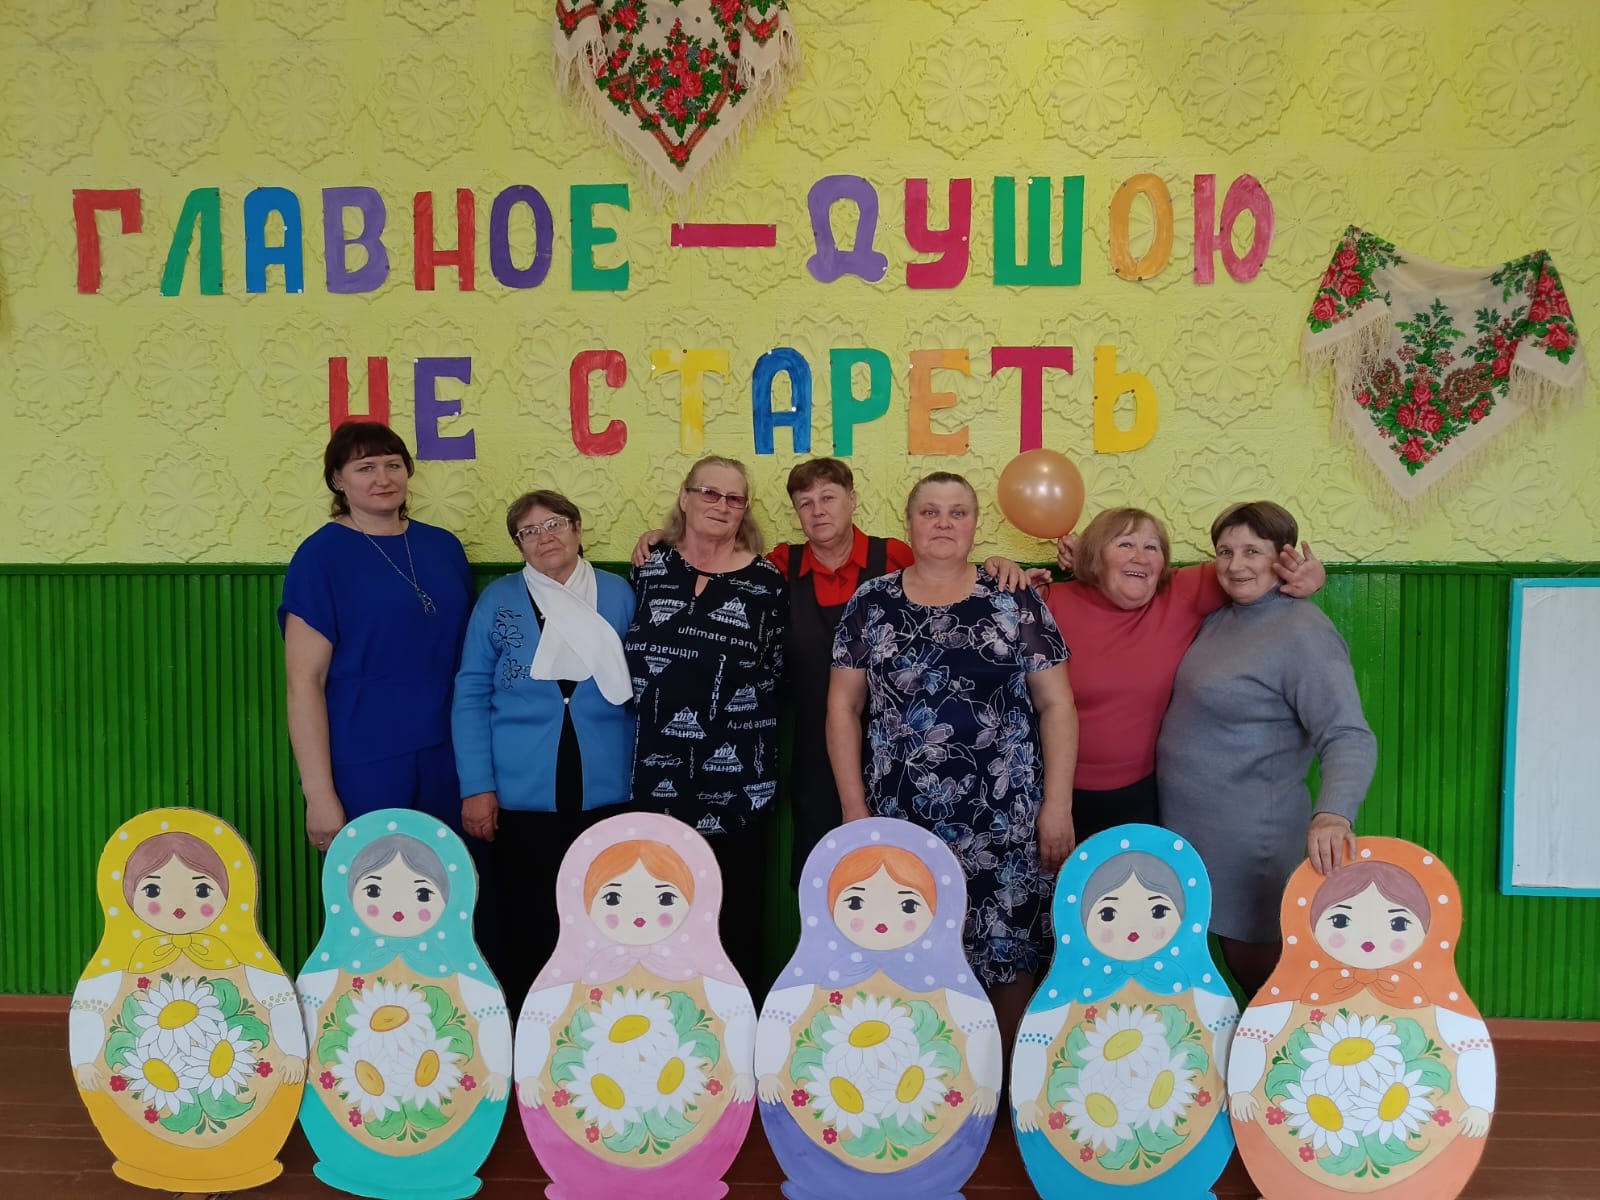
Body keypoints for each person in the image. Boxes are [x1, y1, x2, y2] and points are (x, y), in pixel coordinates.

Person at [634, 455, 1043, 884]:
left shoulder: (895, 556)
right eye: (805, 503)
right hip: (816, 747)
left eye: (828, 498)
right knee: (826, 875)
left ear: (852, 500)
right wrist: (665, 540)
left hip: (898, 748)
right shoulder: (779, 567)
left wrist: (999, 565)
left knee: (903, 874)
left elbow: (949, 568)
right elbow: (720, 566)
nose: (818, 511)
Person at [828, 471, 1078, 1048]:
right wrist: (853, 810)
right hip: (902, 816)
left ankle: (1005, 1080)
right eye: (931, 512)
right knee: (910, 943)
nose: (944, 523)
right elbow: (843, 707)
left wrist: (1057, 805)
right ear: (909, 524)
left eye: (958, 512)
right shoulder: (871, 602)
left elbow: (1057, 704)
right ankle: (933, 1077)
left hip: (1006, 816)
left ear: (974, 524)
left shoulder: (1013, 598)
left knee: (1009, 949)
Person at [1157, 501, 1376, 997]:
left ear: (1285, 557)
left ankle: (1290, 1047)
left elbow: (1348, 733)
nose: (1236, 564)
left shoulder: (1302, 631)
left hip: (1252, 836)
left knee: (1265, 978)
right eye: (1225, 551)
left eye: (1252, 551)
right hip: (1194, 828)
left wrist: (1334, 813)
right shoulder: (1222, 617)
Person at [451, 490, 637, 1002]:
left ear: (577, 529)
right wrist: (476, 786)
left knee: (606, 908)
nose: (544, 537)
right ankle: (528, 1021)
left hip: (609, 780)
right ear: (519, 546)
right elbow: (470, 694)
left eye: (554, 524)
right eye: (528, 532)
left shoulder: (619, 594)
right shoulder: (498, 600)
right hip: (521, 787)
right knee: (528, 915)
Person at [1046, 507, 1323, 843]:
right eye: (1125, 544)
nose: (1140, 557)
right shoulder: (1050, 601)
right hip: (1049, 793)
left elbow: (1252, 569)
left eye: (1152, 547)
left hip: (1144, 795)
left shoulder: (1180, 593)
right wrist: (1001, 566)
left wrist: (1310, 577)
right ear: (1094, 553)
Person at [624, 455, 788, 994]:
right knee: (659, 913)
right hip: (656, 776)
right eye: (709, 493)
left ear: (745, 510)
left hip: (737, 782)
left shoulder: (767, 584)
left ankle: (738, 1034)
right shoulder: (650, 568)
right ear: (685, 497)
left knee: (733, 921)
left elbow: (778, 673)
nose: (721, 505)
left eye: (734, 498)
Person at [279, 421, 476, 852]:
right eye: (365, 468)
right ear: (338, 480)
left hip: (453, 756)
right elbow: (304, 682)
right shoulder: (320, 557)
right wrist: (318, 794)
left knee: (460, 885)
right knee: (377, 885)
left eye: (393, 465)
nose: (383, 478)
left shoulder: (444, 547)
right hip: (365, 762)